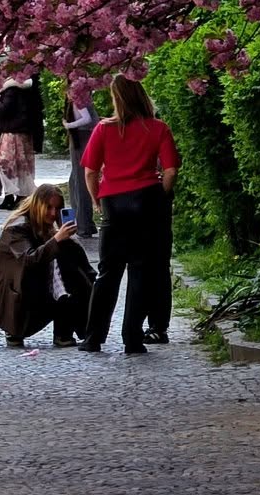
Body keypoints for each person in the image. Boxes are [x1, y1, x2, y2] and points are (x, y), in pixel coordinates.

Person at [80, 75, 180, 355]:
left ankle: (93, 338)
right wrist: (161, 195)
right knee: (141, 271)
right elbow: (171, 170)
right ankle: (132, 338)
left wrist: (97, 199)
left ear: (116, 98)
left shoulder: (103, 129)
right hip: (147, 201)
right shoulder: (158, 128)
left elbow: (89, 171)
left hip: (113, 201)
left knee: (107, 273)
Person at [0, 184, 94, 349]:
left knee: (70, 263)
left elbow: (80, 266)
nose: (53, 214)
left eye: (57, 209)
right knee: (59, 256)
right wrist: (57, 240)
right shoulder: (16, 228)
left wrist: (67, 239)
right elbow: (29, 260)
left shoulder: (47, 227)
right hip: (20, 296)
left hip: (39, 290)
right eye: (48, 208)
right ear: (37, 205)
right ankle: (15, 329)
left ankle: (65, 330)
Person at [0, 76, 44, 209]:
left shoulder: (11, 89)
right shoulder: (28, 89)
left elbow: (4, 109)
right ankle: (17, 196)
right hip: (23, 131)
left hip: (12, 131)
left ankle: (15, 195)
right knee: (21, 165)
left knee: (6, 163)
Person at [64, 91, 99, 237]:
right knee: (74, 182)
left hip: (81, 137)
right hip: (84, 137)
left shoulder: (77, 96)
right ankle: (85, 224)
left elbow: (86, 118)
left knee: (80, 183)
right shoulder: (82, 95)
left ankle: (83, 226)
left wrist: (69, 125)